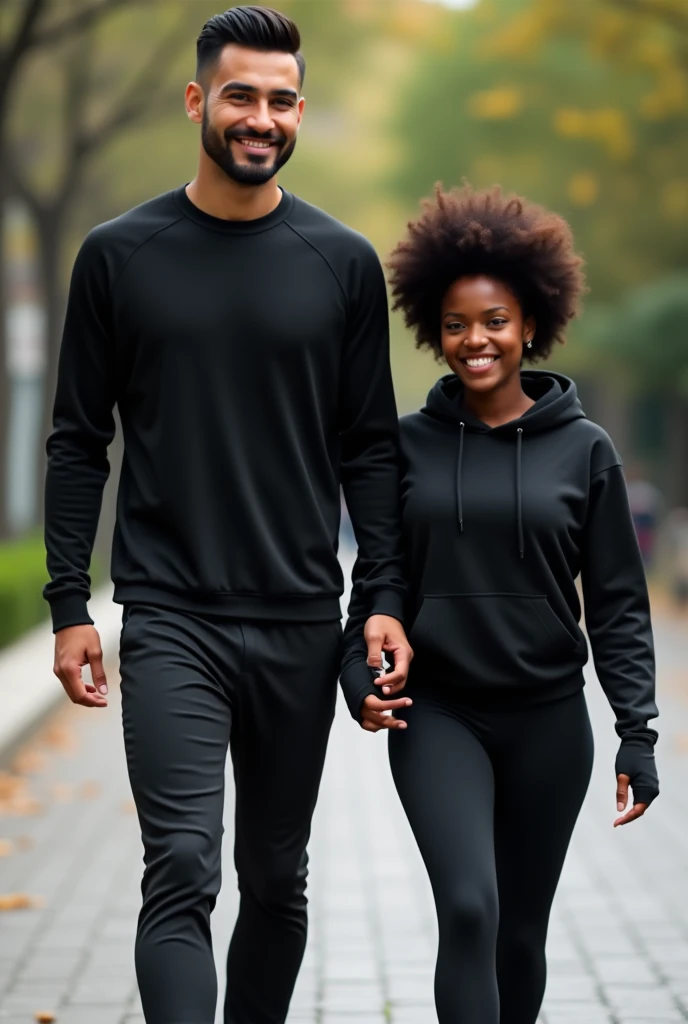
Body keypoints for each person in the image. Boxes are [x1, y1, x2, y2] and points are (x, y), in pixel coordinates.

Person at [43, 8, 411, 1023]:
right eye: (242, 95)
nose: (262, 117)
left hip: (300, 615)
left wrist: (380, 594)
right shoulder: (119, 256)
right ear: (199, 100)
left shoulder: (340, 263)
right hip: (169, 615)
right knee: (183, 866)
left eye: (282, 99)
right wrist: (70, 602)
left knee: (277, 876)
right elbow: (79, 439)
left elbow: (370, 449)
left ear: (300, 110)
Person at [343, 184, 660, 1024]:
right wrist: (356, 674)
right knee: (470, 911)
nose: (474, 339)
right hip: (439, 712)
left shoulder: (586, 449)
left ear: (530, 326)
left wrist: (639, 732)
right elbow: (377, 576)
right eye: (455, 323)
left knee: (520, 934)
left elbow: (620, 604)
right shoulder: (405, 445)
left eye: (493, 321)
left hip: (549, 722)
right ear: (433, 329)